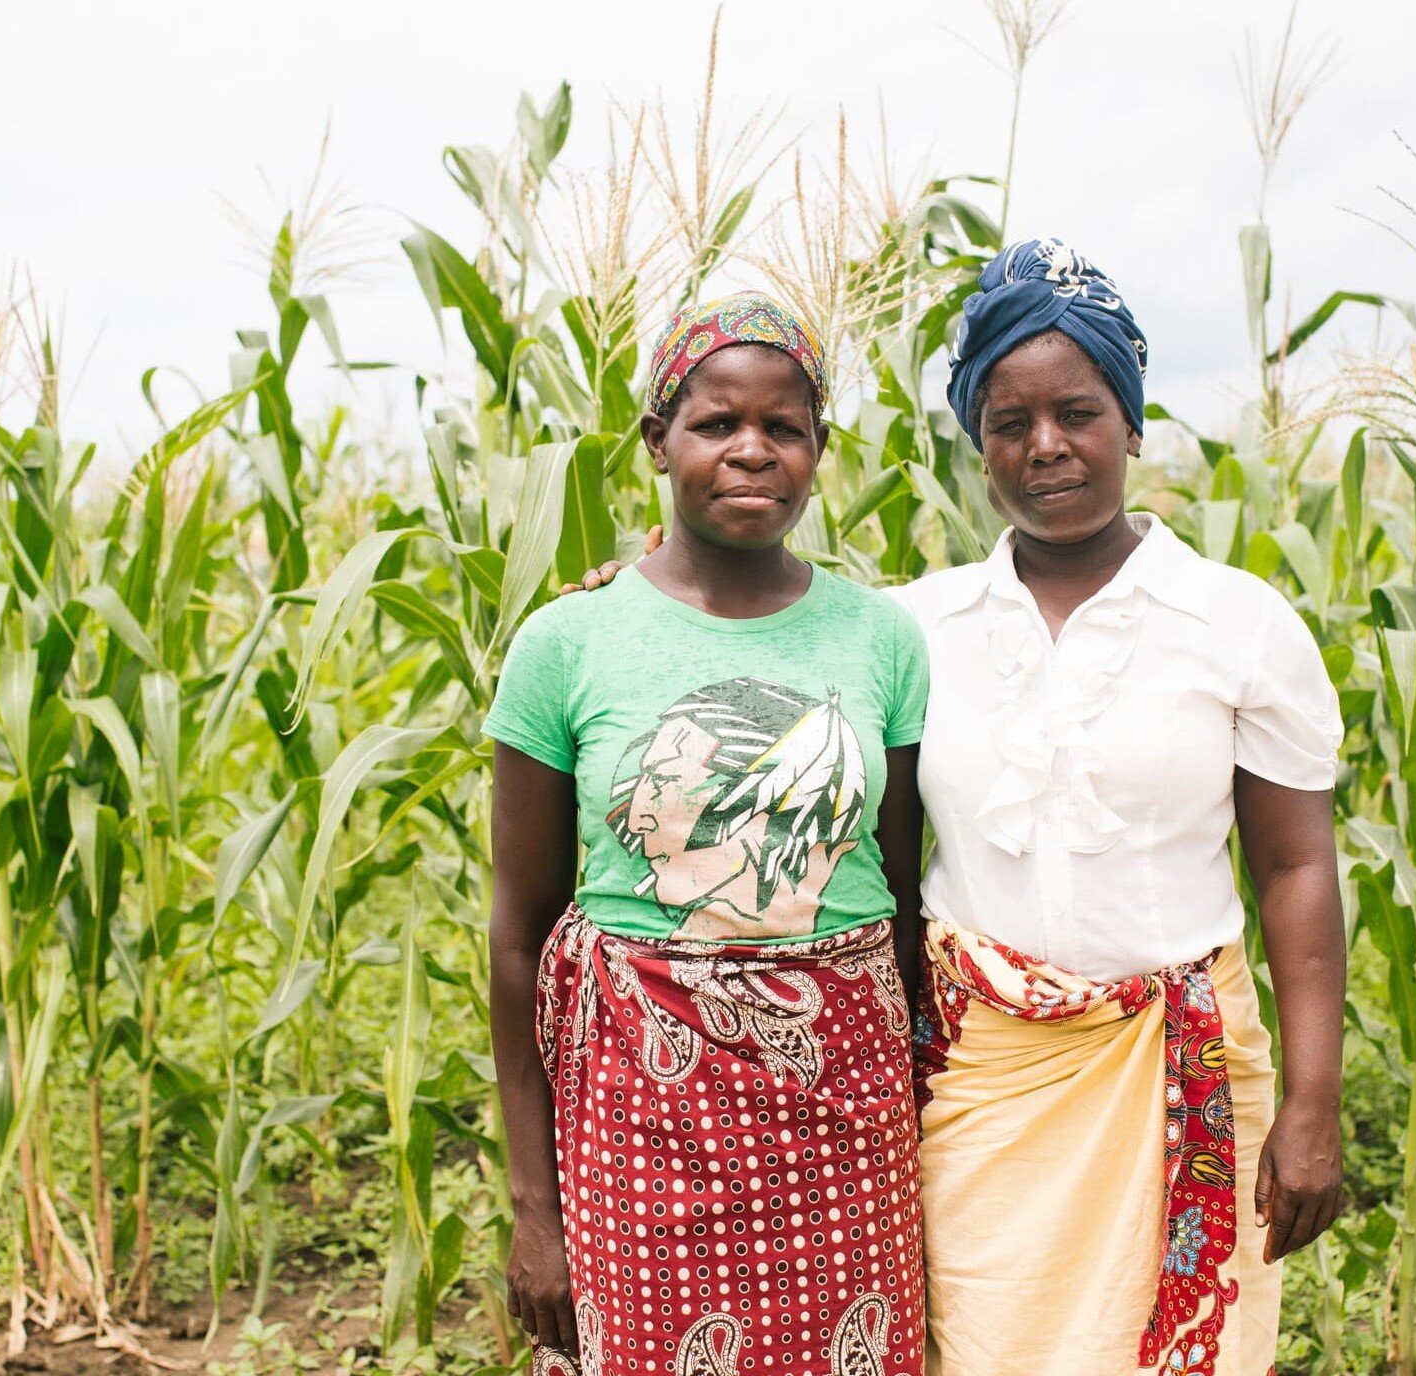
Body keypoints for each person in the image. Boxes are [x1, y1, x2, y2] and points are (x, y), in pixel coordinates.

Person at [570, 239, 1348, 1375]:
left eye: (1076, 412)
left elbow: (1293, 868)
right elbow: (745, 611)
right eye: (1005, 420)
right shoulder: (909, 628)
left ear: (1130, 422)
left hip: (1181, 1066)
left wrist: (1313, 1101)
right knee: (986, 1340)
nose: (1044, 446)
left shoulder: (1237, 622)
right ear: (974, 441)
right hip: (981, 1076)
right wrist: (630, 583)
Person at [484, 292, 932, 1376]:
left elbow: (906, 899)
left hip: (844, 1113)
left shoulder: (881, 636)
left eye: (783, 428)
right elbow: (516, 934)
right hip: (640, 1119)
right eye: (716, 423)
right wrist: (534, 1210)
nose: (751, 450)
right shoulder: (566, 642)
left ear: (819, 451)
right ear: (655, 441)